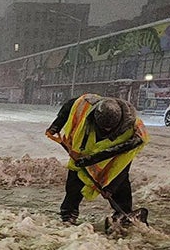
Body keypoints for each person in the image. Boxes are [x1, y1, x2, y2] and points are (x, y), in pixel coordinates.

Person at [45, 94, 149, 224]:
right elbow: (69, 106)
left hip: (114, 160)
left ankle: (124, 213)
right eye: (101, 128)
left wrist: (110, 188)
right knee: (74, 183)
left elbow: (122, 165)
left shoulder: (133, 133)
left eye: (108, 130)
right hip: (83, 153)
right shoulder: (86, 105)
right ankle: (68, 214)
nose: (104, 131)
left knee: (119, 183)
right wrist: (56, 125)